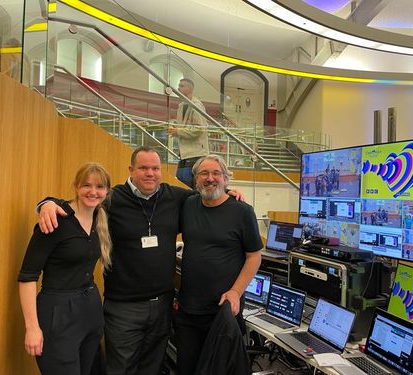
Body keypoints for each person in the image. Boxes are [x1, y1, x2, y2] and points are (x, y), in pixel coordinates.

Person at [37, 147, 243, 375]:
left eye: (155, 168)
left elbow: (209, 192)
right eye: (143, 168)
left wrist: (230, 191)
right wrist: (46, 203)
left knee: (152, 368)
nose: (150, 173)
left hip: (162, 306)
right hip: (123, 308)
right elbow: (79, 203)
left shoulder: (174, 197)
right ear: (131, 170)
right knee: (120, 369)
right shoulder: (113, 199)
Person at [18, 162, 112, 375]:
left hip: (90, 311)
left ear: (107, 191)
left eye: (99, 187)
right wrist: (32, 327)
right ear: (75, 187)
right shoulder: (54, 220)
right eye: (86, 185)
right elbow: (27, 276)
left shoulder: (100, 217)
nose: (93, 192)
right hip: (58, 314)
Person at [174, 154, 263, 375]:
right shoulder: (188, 204)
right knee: (187, 369)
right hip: (188, 311)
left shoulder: (242, 211)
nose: (210, 178)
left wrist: (235, 291)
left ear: (226, 178)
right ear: (195, 179)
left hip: (223, 312)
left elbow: (254, 257)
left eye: (216, 173)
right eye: (204, 173)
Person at [168, 78, 209, 188]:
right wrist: (176, 130)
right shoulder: (181, 106)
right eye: (179, 85)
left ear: (190, 89)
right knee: (181, 179)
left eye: (182, 86)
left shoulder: (197, 105)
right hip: (184, 152)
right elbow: (184, 127)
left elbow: (200, 129)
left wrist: (179, 131)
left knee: (188, 181)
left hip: (196, 153)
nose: (178, 88)